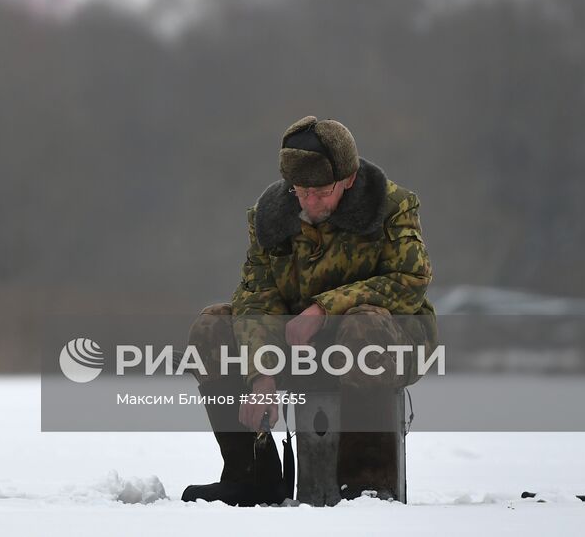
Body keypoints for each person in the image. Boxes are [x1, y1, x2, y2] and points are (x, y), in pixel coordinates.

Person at [181, 115, 436, 506]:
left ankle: (367, 484)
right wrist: (262, 372)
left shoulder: (393, 206)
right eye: (300, 191)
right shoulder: (269, 217)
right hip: (297, 344)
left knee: (362, 327)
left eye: (321, 191)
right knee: (211, 327)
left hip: (387, 339)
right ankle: (251, 475)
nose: (310, 202)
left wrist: (323, 309)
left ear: (348, 180)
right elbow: (258, 297)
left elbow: (411, 281)